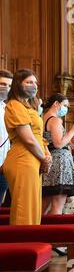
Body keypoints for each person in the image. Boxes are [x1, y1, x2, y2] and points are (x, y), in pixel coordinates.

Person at [2, 69, 52, 225]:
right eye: (29, 82)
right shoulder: (14, 105)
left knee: (33, 206)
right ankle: (21, 245)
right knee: (24, 208)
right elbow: (28, 139)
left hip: (33, 159)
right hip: (23, 158)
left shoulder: (28, 107)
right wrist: (44, 158)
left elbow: (38, 136)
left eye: (35, 82)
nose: (34, 85)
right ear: (18, 84)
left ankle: (32, 243)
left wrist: (47, 154)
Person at [41, 94, 74, 215]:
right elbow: (59, 144)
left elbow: (59, 142)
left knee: (46, 203)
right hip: (60, 163)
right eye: (65, 105)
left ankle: (37, 230)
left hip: (52, 160)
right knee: (58, 204)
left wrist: (72, 140)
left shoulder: (44, 117)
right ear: (56, 103)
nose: (66, 108)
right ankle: (53, 233)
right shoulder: (55, 119)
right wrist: (73, 130)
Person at [0, 70, 13, 205]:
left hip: (3, 166)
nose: (6, 88)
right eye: (3, 84)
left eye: (9, 86)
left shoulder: (6, 108)